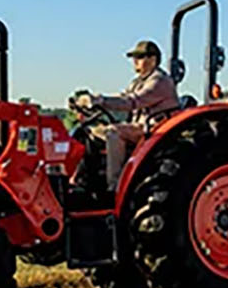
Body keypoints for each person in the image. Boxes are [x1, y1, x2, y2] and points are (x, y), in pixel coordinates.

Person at [72, 39, 182, 192]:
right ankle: (83, 182)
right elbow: (123, 97)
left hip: (155, 129)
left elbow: (133, 101)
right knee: (88, 132)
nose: (135, 61)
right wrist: (93, 103)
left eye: (140, 57)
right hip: (140, 126)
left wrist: (100, 100)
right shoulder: (138, 81)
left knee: (114, 132)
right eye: (134, 58)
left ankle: (115, 186)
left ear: (153, 59)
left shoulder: (159, 81)